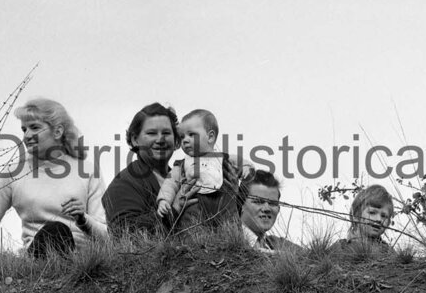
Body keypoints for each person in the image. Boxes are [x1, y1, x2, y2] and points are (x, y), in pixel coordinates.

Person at [0, 98, 108, 258]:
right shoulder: (13, 173)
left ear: (58, 131)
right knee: (55, 231)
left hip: (83, 267)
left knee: (58, 231)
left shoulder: (88, 170)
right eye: (24, 129)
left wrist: (83, 219)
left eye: (35, 128)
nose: (27, 135)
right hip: (38, 265)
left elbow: (106, 236)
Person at [103, 103, 236, 237]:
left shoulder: (188, 173)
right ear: (135, 139)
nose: (160, 139)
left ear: (176, 140)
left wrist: (231, 195)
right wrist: (173, 211)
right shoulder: (123, 185)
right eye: (151, 133)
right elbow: (122, 235)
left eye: (166, 133)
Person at [156, 109, 225, 226]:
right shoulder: (182, 165)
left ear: (210, 137)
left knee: (230, 226)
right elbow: (170, 183)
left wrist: (246, 167)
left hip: (222, 204)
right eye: (182, 137)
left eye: (191, 134)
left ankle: (234, 240)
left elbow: (239, 164)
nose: (185, 140)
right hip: (193, 204)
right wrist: (164, 200)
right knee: (190, 227)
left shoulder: (222, 159)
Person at [238, 169, 298, 253]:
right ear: (241, 204)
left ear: (279, 209)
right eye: (258, 202)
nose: (266, 208)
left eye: (272, 203)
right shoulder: (223, 241)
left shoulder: (280, 244)